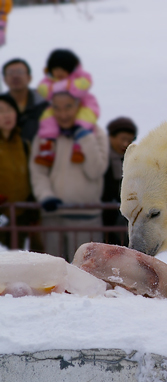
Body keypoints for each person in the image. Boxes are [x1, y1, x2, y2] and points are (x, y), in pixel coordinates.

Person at [29, 91, 108, 261]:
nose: (63, 114)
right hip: (53, 217)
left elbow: (95, 171)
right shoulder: (45, 136)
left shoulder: (95, 133)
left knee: (87, 272)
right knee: (53, 273)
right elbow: (38, 172)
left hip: (86, 218)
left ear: (78, 107)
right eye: (57, 108)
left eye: (68, 107)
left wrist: (85, 139)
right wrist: (46, 196)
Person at [35, 49, 100, 167]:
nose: (59, 72)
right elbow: (43, 90)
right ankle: (48, 145)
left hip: (83, 105)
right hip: (58, 107)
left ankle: (79, 146)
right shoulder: (49, 80)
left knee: (84, 120)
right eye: (56, 69)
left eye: (63, 69)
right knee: (47, 118)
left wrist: (63, 85)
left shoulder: (79, 78)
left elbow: (83, 86)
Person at [0, 94, 40, 249]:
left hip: (21, 216)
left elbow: (31, 178)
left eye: (10, 110)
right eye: (1, 111)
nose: (7, 115)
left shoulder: (24, 145)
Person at [102, 116, 137, 245]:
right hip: (103, 217)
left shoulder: (132, 160)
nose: (125, 144)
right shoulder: (101, 158)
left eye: (129, 140)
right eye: (122, 139)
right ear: (111, 137)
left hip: (121, 217)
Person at [2, 58, 48, 142]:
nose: (15, 76)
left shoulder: (44, 105)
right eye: (10, 73)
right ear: (4, 79)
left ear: (29, 77)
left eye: (20, 72)